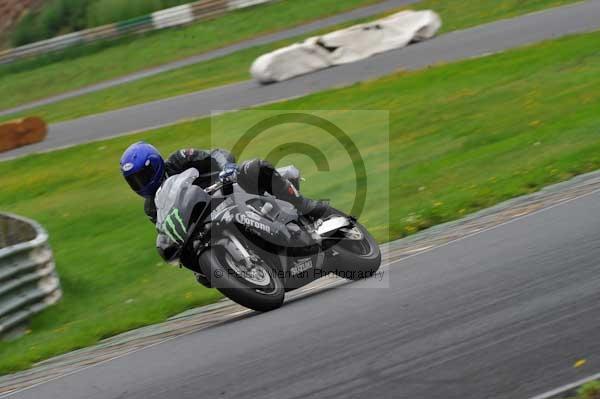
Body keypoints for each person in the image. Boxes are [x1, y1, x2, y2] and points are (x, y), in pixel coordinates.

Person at [119, 141, 331, 224]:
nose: (141, 183)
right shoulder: (151, 207)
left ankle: (305, 205)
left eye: (143, 176)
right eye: (134, 181)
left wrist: (226, 169)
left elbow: (217, 154)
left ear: (154, 164)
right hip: (209, 221)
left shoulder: (179, 159)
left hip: (230, 189)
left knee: (254, 166)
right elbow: (168, 227)